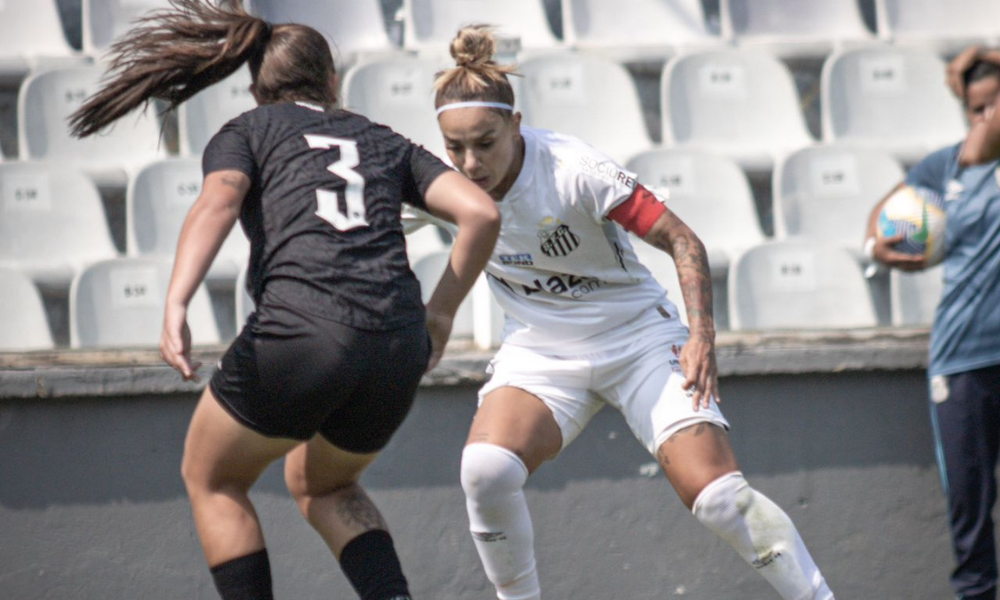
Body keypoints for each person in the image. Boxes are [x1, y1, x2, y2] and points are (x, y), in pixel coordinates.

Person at [69, 2, 501, 600]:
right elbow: (480, 213)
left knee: (213, 478)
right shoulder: (380, 138)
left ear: (255, 89)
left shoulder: (247, 130)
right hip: (397, 340)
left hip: (303, 332)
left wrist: (176, 302)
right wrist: (441, 313)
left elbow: (218, 202)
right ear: (332, 81)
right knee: (325, 485)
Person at [428, 25, 835, 600]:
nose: (470, 164)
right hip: (541, 351)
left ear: (516, 125)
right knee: (485, 473)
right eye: (455, 148)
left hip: (640, 339)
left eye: (486, 142)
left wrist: (701, 337)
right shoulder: (437, 184)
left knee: (721, 499)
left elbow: (683, 240)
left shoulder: (575, 167)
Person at [864, 46, 1000, 600]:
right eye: (977, 107)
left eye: (996, 104)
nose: (987, 116)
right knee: (969, 508)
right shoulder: (946, 168)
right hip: (964, 360)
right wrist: (878, 244)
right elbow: (883, 216)